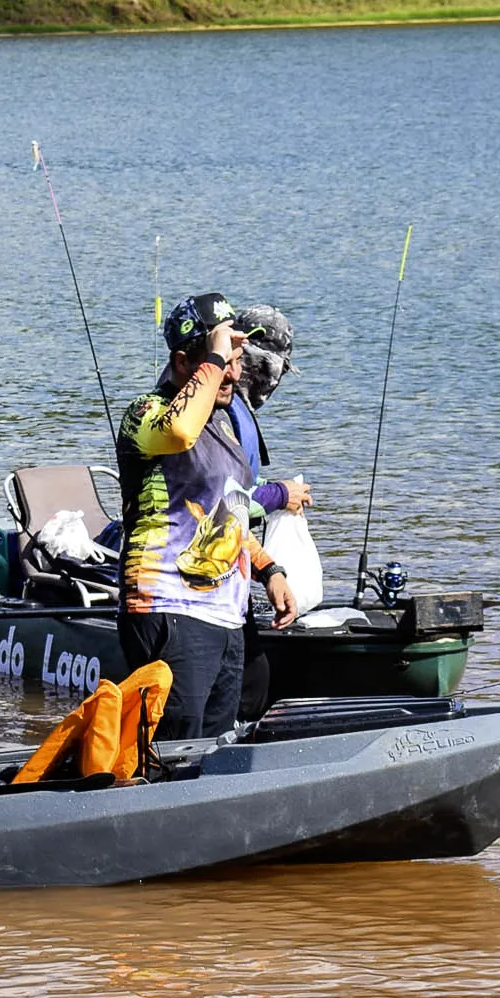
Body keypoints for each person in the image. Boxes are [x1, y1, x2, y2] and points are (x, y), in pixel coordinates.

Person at [116, 291, 300, 740]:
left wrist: (269, 570)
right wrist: (215, 354)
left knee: (215, 750)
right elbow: (178, 432)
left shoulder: (222, 425)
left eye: (236, 359)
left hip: (224, 617)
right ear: (183, 363)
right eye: (222, 361)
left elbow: (227, 513)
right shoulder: (146, 413)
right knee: (173, 750)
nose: (233, 372)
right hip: (166, 606)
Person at [227, 305, 313, 722]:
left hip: (234, 570)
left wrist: (267, 570)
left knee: (252, 679)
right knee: (250, 682)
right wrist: (282, 494)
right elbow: (227, 502)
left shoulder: (234, 409)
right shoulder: (230, 414)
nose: (276, 382)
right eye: (278, 369)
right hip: (208, 586)